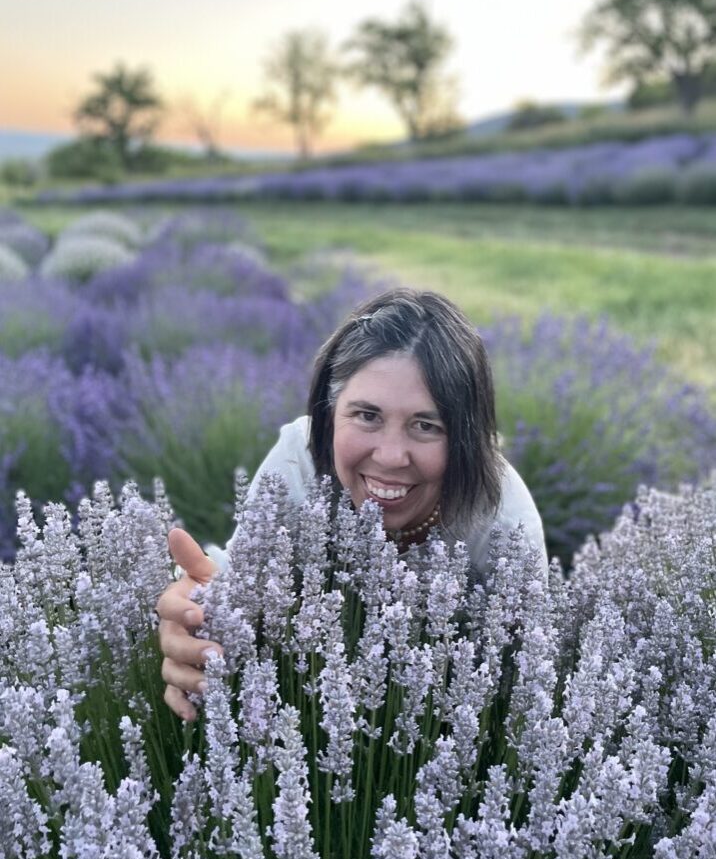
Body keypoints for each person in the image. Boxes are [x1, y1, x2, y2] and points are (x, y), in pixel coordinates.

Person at [158, 288, 547, 721]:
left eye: (426, 425)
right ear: (328, 414)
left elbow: (519, 690)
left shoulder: (500, 520)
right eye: (367, 416)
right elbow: (241, 579)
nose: (391, 456)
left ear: (466, 439)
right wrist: (197, 616)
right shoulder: (299, 461)